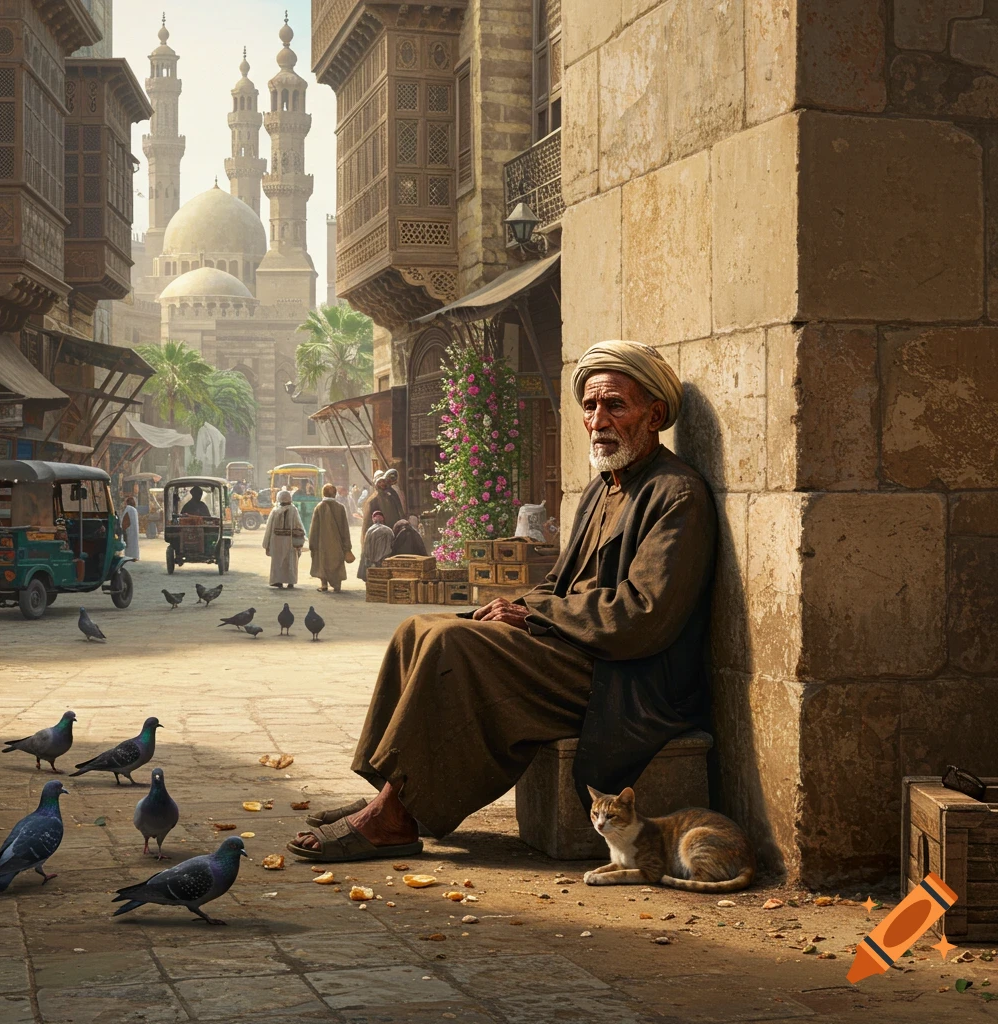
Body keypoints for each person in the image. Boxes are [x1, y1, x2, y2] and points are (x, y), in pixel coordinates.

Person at [288, 339, 717, 863]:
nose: (599, 419)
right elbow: (558, 584)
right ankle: (392, 794)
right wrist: (509, 606)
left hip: (626, 678)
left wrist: (536, 614)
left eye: (615, 405)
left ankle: (393, 819)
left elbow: (643, 616)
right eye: (590, 406)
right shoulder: (602, 489)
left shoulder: (676, 494)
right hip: (576, 650)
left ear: (654, 415)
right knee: (419, 628)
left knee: (453, 646)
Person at [309, 484, 353, 593]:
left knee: (323, 562)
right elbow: (345, 529)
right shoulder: (340, 507)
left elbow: (314, 528)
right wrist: (347, 546)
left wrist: (312, 544)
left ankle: (324, 585)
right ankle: (337, 585)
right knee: (337, 562)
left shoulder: (319, 507)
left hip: (322, 543)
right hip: (338, 543)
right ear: (335, 494)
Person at [263, 489, 306, 588]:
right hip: (290, 541)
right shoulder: (293, 510)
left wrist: (266, 544)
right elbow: (299, 525)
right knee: (290, 561)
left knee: (278, 562)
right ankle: (290, 581)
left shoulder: (275, 511)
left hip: (276, 541)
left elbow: (269, 529)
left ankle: (278, 581)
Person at [361, 471, 404, 539]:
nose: (382, 484)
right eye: (380, 482)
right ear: (376, 483)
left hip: (395, 532)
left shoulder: (392, 494)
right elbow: (367, 523)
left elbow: (399, 512)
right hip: (381, 535)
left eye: (383, 481)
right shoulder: (373, 500)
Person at [357, 509, 394, 582]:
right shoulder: (389, 530)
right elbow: (392, 546)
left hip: (373, 562)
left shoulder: (370, 530)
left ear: (373, 520)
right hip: (386, 561)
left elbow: (367, 549)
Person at [120, 496, 140, 562]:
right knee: (134, 545)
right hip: (134, 532)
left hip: (129, 531)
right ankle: (134, 557)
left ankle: (129, 557)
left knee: (129, 546)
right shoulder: (134, 510)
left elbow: (125, 522)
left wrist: (122, 529)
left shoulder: (128, 509)